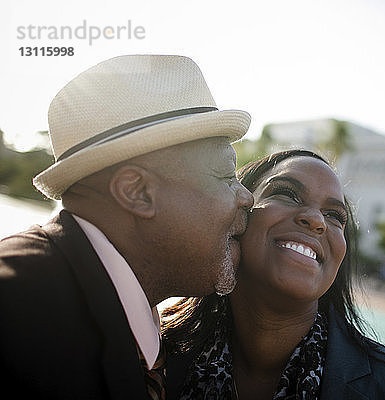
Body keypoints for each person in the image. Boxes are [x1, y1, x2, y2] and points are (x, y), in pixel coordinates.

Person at [0, 55, 254, 399]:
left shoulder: (136, 331)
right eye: (226, 176)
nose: (247, 197)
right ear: (137, 192)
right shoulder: (19, 313)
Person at [163, 150, 385, 399]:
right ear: (237, 215)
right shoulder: (151, 354)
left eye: (335, 215)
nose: (317, 220)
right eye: (287, 193)